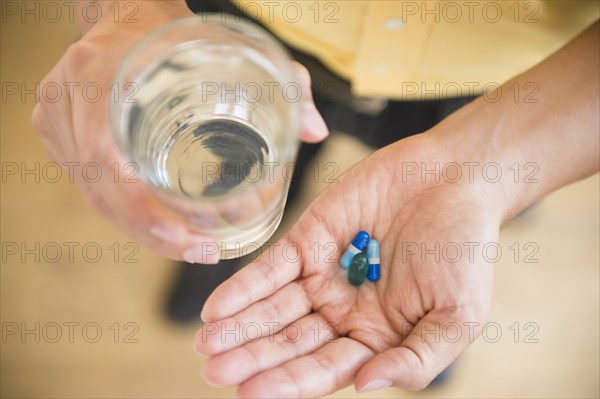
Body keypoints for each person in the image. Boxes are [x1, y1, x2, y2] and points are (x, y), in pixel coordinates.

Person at [32, 1, 599, 398]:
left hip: (512, 97)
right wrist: (125, 12)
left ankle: (423, 309)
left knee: (467, 227)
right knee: (233, 180)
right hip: (245, 48)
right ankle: (221, 263)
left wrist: (486, 177)